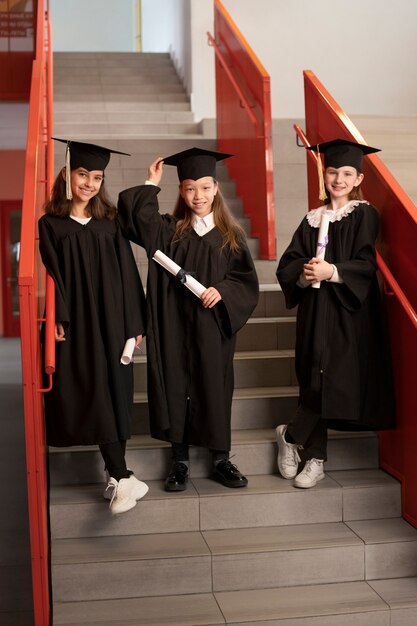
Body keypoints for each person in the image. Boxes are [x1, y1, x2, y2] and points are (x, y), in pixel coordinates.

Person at [117, 147, 259, 491]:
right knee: (175, 383)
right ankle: (178, 460)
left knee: (214, 383)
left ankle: (220, 458)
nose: (199, 195)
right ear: (181, 191)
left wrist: (223, 290)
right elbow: (135, 219)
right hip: (173, 325)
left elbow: (245, 280)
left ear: (216, 189)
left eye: (206, 187)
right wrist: (151, 184)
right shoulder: (169, 231)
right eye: (191, 187)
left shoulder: (231, 236)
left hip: (212, 324)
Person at [276, 138, 396, 489]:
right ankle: (315, 459)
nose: (339, 179)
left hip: (346, 312)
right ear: (323, 175)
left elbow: (365, 262)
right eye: (332, 172)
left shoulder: (364, 214)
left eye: (347, 173)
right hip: (314, 311)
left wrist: (333, 272)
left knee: (330, 379)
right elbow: (289, 262)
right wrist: (305, 272)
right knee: (313, 376)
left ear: (359, 178)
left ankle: (290, 436)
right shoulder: (312, 218)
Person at [38, 138, 148, 514]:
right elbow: (52, 275)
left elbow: (129, 272)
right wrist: (58, 318)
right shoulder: (50, 224)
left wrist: (135, 323)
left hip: (113, 319)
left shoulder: (110, 221)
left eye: (97, 177)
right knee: (93, 391)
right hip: (77, 322)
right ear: (68, 175)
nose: (89, 183)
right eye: (83, 174)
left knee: (114, 391)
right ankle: (122, 475)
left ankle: (120, 477)